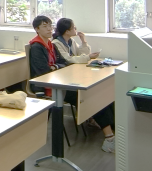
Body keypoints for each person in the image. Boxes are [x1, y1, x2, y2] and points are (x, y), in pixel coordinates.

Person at [48, 18, 114, 152]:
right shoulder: (56, 43)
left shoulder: (70, 41)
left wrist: (84, 41)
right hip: (63, 84)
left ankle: (108, 126)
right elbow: (69, 59)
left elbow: (81, 54)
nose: (76, 29)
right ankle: (109, 138)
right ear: (67, 31)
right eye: (74, 27)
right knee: (92, 97)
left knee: (103, 93)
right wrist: (88, 57)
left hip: (72, 78)